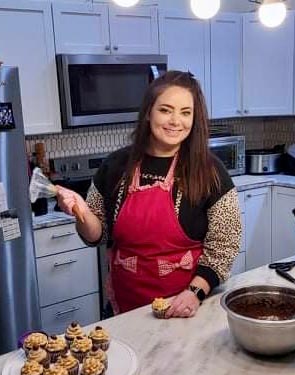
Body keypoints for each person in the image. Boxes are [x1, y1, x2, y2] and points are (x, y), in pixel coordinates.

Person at [56, 71, 242, 318]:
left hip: (188, 306)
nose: (176, 120)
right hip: (125, 308)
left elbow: (225, 245)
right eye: (166, 110)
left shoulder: (210, 172)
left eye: (185, 112)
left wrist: (194, 293)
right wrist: (81, 212)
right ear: (148, 113)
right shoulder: (116, 165)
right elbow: (96, 235)